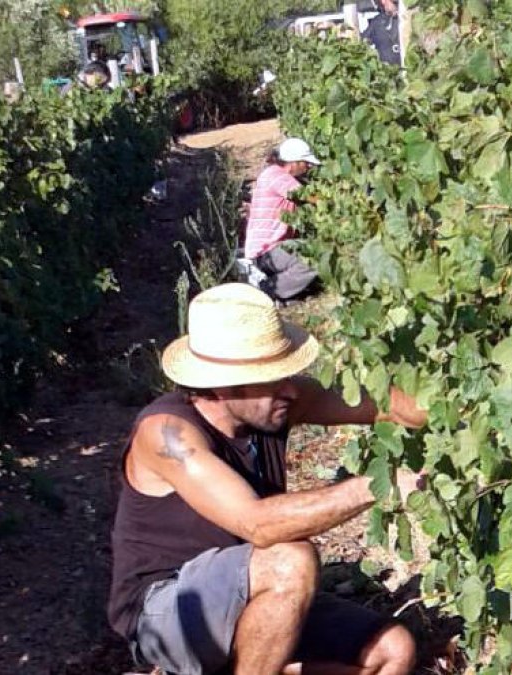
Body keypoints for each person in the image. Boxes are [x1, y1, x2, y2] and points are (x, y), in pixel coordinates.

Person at [108, 283, 427, 675]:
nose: (291, 389)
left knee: (393, 651)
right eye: (272, 377)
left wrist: (461, 413)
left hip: (257, 597)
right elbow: (257, 524)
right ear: (223, 383)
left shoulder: (272, 404)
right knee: (290, 561)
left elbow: (380, 404)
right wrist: (378, 484)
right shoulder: (167, 434)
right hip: (170, 605)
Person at [244, 138, 321, 303]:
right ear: (293, 163)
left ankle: (283, 290)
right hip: (265, 252)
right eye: (305, 163)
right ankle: (266, 290)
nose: (309, 167)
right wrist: (335, 199)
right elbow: (310, 197)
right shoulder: (276, 175)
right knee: (316, 256)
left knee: (310, 255)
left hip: (272, 250)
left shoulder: (276, 175)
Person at [361, 0, 401, 66]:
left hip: (406, 68)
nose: (395, 5)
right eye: (393, 2)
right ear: (383, 1)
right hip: (386, 70)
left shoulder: (405, 18)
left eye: (396, 2)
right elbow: (363, 40)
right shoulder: (377, 22)